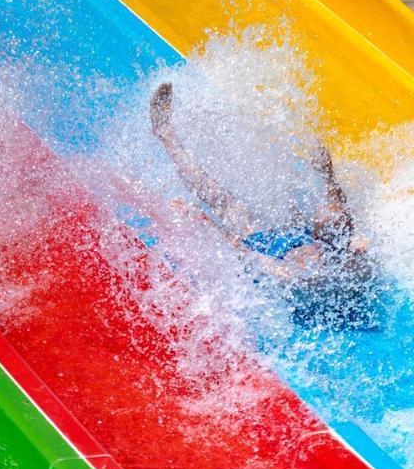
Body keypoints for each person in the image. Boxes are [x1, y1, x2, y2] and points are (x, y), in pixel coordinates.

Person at [149, 82, 381, 330]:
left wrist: (203, 220)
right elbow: (338, 209)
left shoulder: (308, 278)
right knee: (289, 198)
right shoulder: (355, 251)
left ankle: (166, 135)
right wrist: (327, 174)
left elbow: (246, 253)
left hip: (266, 250)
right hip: (295, 241)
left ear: (317, 232)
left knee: (224, 202)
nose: (323, 207)